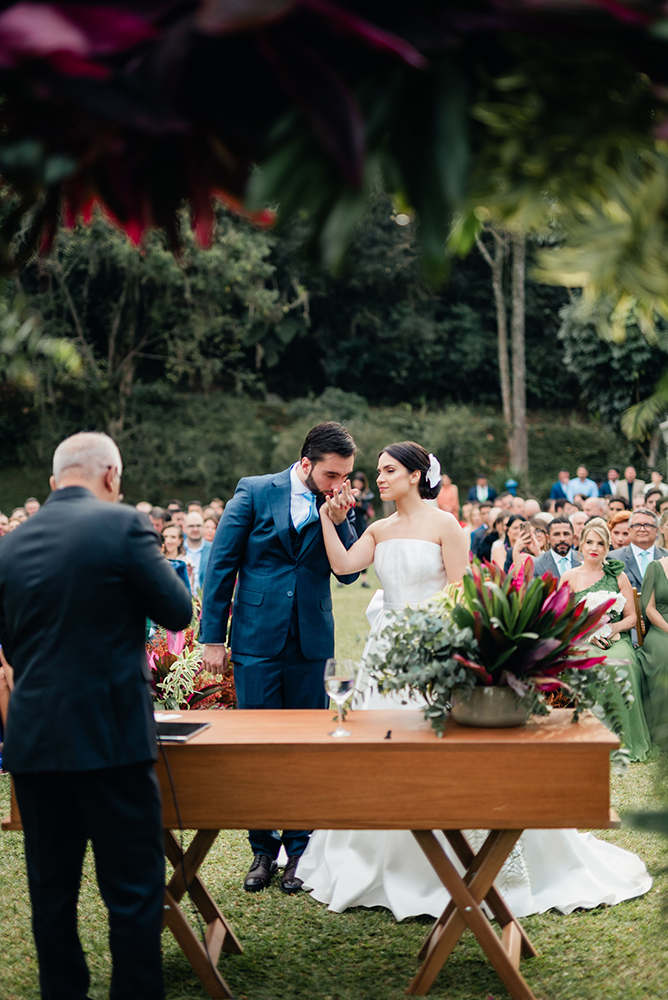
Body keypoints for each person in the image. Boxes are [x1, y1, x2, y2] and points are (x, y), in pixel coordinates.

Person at [297, 495, 652, 919]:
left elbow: (458, 587)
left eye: (389, 469)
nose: (380, 477)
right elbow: (342, 566)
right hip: (386, 646)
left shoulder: (446, 523)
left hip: (434, 640)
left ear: (413, 475)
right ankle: (380, 857)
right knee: (380, 747)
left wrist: (432, 632)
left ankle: (450, 846)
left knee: (442, 744)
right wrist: (327, 519)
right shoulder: (378, 529)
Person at [0, 431, 192, 1000]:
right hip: (112, 739)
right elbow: (178, 611)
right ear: (111, 475)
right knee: (132, 893)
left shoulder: (9, 547)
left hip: (34, 741)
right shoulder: (125, 526)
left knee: (50, 894)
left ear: (54, 480)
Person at [199, 421, 359, 895]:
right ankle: (262, 851)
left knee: (308, 745)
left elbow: (348, 573)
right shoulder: (252, 492)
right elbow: (221, 565)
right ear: (306, 464)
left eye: (346, 476)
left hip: (311, 642)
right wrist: (213, 638)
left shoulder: (339, 503)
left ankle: (301, 850)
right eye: (332, 475)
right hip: (255, 639)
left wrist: (339, 517)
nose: (340, 485)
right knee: (257, 746)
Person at [561, 518, 653, 762]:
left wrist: (612, 628)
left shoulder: (618, 576)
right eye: (589, 542)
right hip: (580, 639)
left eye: (600, 543)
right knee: (588, 664)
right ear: (580, 545)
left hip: (615, 638)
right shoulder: (568, 577)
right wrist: (585, 631)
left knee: (619, 663)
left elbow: (632, 617)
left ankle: (622, 739)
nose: (594, 547)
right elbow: (559, 619)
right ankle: (589, 739)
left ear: (607, 547)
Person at [636, 556, 668, 750]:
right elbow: (649, 609)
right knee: (665, 657)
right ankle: (663, 733)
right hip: (661, 626)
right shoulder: (656, 567)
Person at [612, 508, 668, 594]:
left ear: (656, 531)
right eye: (637, 525)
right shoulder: (614, 558)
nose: (642, 529)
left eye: (648, 525)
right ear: (629, 530)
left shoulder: (666, 556)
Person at [351, 471, 375, 589]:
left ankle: (364, 579)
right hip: (350, 523)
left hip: (361, 524)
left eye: (360, 481)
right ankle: (342, 579)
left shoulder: (366, 494)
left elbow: (365, 508)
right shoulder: (349, 492)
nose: (358, 483)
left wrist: (359, 498)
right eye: (356, 481)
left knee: (363, 550)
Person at [183, 510, 212, 594]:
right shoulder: (178, 549)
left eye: (198, 526)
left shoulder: (213, 549)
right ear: (184, 528)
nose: (195, 529)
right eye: (191, 526)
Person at [161, 522, 192, 592]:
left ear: (180, 540)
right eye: (165, 537)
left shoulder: (186, 563)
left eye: (173, 537)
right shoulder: (156, 561)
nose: (168, 541)